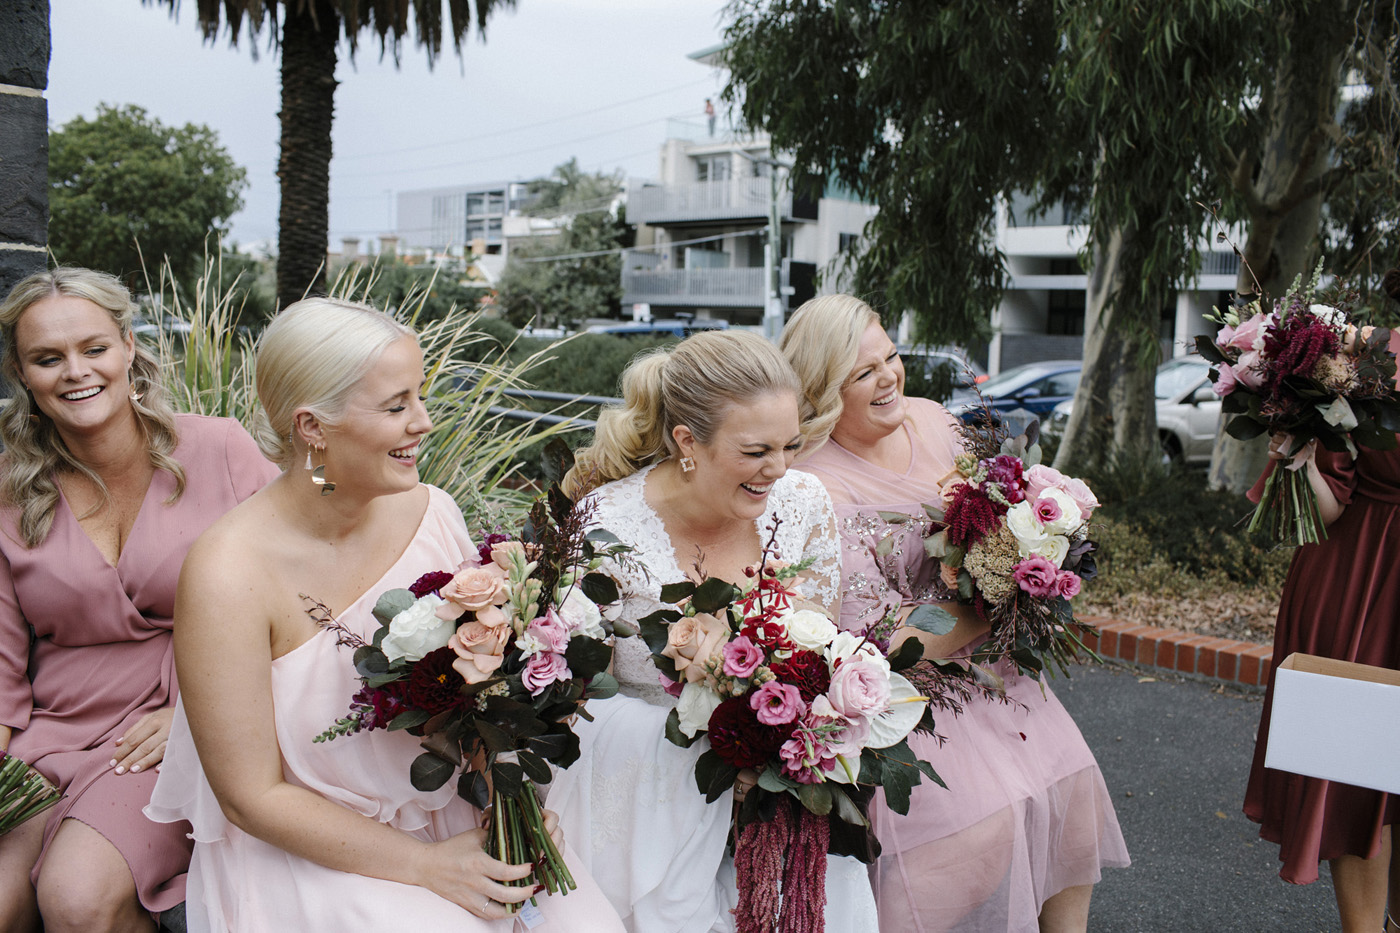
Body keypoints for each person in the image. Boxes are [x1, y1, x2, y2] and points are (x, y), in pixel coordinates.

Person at [145, 297, 624, 933]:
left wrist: (511, 799)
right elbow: (249, 796)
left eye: (419, 397)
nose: (423, 422)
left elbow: (485, 688)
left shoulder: (430, 511)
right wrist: (425, 868)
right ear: (313, 426)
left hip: (455, 815)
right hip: (314, 851)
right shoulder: (227, 573)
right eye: (396, 406)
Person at [780, 294, 1129, 933]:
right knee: (980, 831)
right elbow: (883, 640)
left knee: (1070, 791)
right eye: (864, 373)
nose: (888, 377)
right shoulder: (813, 484)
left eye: (891, 358)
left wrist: (1033, 549)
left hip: (999, 673)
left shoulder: (935, 421)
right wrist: (1005, 598)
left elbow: (995, 507)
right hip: (914, 693)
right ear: (823, 389)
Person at [549, 330, 877, 932]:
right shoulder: (608, 523)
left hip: (779, 794)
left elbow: (823, 646)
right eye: (756, 451)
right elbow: (569, 692)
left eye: (791, 445)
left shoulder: (803, 501)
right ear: (686, 441)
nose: (777, 469)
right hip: (640, 803)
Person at [0, 267, 279, 933]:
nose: (75, 372)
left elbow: (293, 595)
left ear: (127, 346)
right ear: (22, 372)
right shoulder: (7, 489)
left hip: (178, 731)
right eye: (48, 358)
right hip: (49, 737)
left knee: (77, 897)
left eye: (93, 348)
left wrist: (194, 716)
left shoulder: (220, 449)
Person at [1243, 326, 1400, 933]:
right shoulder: (1357, 358)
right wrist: (1299, 452)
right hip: (1359, 583)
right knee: (1361, 773)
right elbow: (1331, 501)